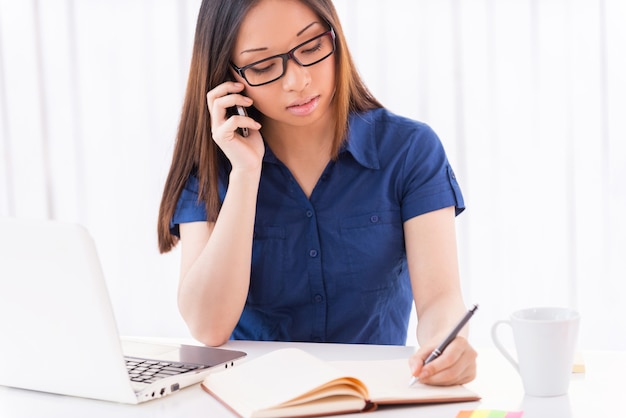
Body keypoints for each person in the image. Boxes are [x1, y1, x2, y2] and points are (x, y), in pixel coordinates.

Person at [157, 0, 476, 386]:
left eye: (310, 48)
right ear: (229, 77)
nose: (297, 80)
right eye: (263, 66)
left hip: (372, 398)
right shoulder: (211, 166)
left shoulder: (408, 150)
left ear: (335, 37)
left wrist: (449, 345)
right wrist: (245, 173)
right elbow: (208, 328)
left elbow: (440, 300)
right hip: (252, 400)